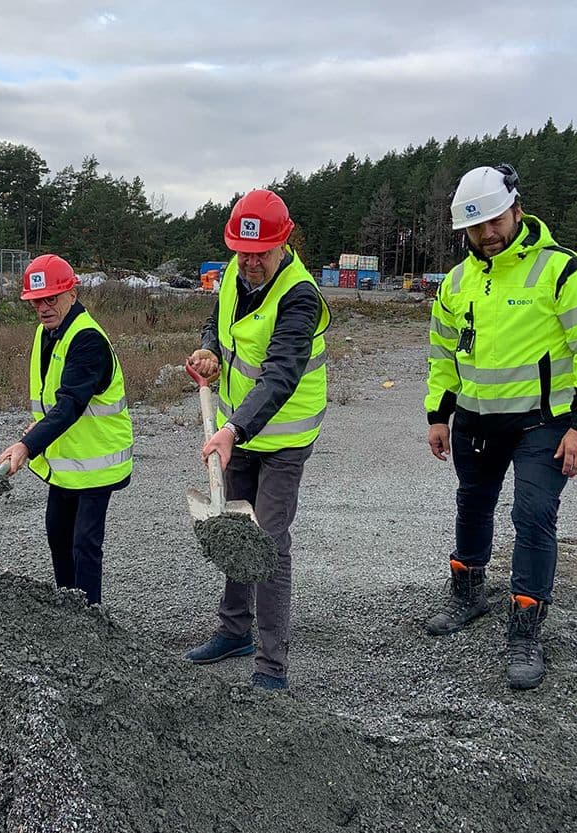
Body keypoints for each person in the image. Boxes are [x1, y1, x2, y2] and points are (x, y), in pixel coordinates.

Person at [424, 164, 577, 689]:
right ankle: (468, 596)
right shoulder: (457, 282)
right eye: (475, 226)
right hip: (476, 420)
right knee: (472, 504)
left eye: (494, 220)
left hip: (544, 424)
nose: (486, 234)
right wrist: (439, 415)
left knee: (532, 515)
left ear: (516, 210)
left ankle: (526, 629)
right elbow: (443, 353)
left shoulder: (565, 271)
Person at [185, 189, 330, 692]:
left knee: (267, 541)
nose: (249, 262)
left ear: (283, 243)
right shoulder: (234, 271)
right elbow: (218, 323)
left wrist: (232, 430)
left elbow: (280, 374)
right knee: (234, 528)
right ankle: (234, 631)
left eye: (260, 253)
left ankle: (271, 664)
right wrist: (209, 351)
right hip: (239, 431)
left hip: (284, 435)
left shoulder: (300, 296)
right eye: (242, 252)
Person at [0, 254, 133, 606]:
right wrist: (40, 426)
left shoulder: (87, 339)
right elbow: (54, 398)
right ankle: (68, 608)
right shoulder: (49, 332)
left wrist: (27, 445)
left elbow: (71, 402)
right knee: (58, 534)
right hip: (68, 459)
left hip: (98, 459)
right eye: (36, 301)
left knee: (84, 542)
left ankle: (89, 618)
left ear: (72, 293)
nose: (43, 308)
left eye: (51, 298)